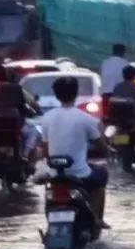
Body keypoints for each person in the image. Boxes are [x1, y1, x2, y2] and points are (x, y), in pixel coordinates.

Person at [40, 76, 112, 227]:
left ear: (56, 95)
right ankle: (96, 219)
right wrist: (108, 151)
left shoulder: (46, 118)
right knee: (101, 174)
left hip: (55, 175)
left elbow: (45, 151)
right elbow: (102, 147)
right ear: (76, 93)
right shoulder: (86, 119)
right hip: (80, 175)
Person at [0, 65, 41, 160]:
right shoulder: (17, 89)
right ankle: (25, 155)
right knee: (34, 131)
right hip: (16, 127)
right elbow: (23, 104)